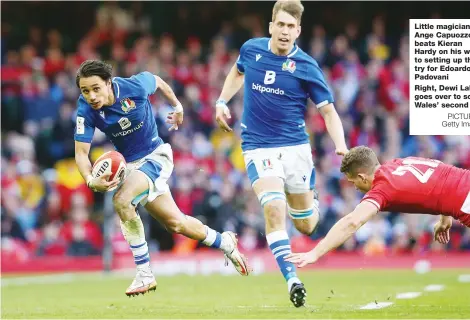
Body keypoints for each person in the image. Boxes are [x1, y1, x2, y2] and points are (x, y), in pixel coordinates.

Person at [74, 60, 250, 297]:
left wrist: (177, 107)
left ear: (108, 83)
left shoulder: (134, 86)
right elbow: (81, 153)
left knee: (122, 199)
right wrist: (89, 179)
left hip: (156, 156)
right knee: (176, 224)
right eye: (85, 91)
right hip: (132, 167)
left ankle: (144, 273)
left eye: (96, 88)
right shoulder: (85, 108)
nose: (91, 96)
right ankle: (225, 242)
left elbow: (158, 82)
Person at [214, 0, 348, 308]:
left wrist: (340, 144)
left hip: (295, 149)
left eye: (291, 27)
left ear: (298, 31)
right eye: (281, 25)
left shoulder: (307, 67)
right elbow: (237, 72)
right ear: (271, 26)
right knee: (274, 210)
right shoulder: (252, 49)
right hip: (258, 146)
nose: (285, 32)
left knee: (306, 225)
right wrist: (222, 101)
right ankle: (292, 280)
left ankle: (310, 201)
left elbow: (328, 112)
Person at [285, 146, 470, 267]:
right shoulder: (398, 163)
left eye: (352, 182)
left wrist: (315, 253)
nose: (355, 187)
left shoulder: (383, 189)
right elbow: (441, 172)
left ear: (363, 177)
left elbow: (352, 222)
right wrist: (445, 217)